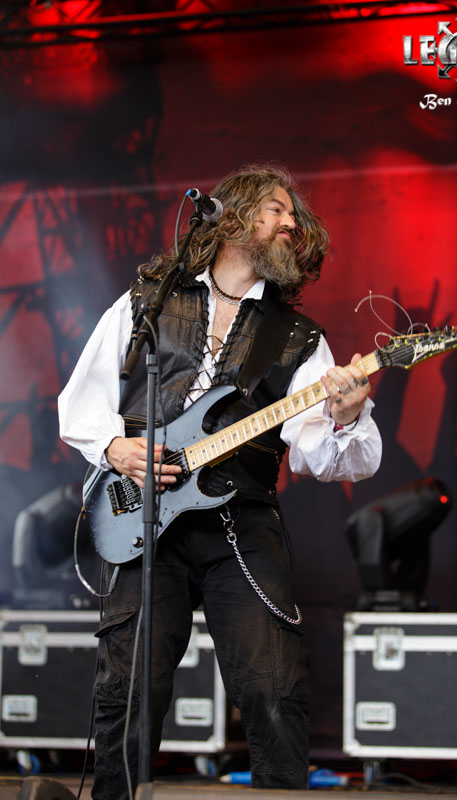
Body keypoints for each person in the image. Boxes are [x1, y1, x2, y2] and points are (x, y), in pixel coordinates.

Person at [58, 164, 382, 798]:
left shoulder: (298, 337)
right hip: (144, 515)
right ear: (233, 218)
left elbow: (322, 456)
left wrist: (346, 416)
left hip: (244, 521)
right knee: (128, 685)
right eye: (276, 210)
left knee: (273, 686)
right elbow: (81, 401)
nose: (291, 223)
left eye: (295, 215)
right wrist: (116, 447)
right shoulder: (150, 300)